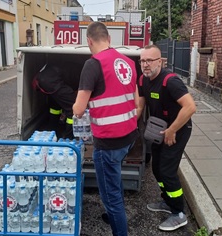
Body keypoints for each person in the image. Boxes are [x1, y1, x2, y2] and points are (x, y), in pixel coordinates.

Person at [72, 21, 139, 236]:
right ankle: (113, 215)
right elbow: (136, 102)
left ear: (89, 41)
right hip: (129, 137)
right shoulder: (128, 62)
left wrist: (76, 102)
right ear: (109, 39)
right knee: (115, 179)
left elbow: (79, 110)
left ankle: (118, 225)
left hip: (108, 144)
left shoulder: (92, 65)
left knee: (111, 197)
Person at [136, 44, 196, 231]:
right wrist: (128, 125)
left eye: (149, 60)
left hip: (178, 129)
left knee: (167, 170)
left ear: (160, 61)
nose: (145, 64)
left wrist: (172, 130)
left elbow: (190, 107)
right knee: (156, 168)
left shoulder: (171, 81)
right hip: (159, 129)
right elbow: (140, 106)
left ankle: (178, 213)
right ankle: (167, 200)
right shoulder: (142, 80)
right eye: (142, 61)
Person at [33, 63, 77, 139]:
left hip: (46, 78)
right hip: (52, 81)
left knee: (55, 106)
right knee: (73, 108)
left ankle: (53, 132)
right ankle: (69, 138)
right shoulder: (85, 73)